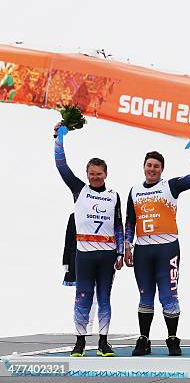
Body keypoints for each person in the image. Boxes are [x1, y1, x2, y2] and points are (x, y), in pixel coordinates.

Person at [124, 137, 190, 356]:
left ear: (162, 170)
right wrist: (127, 246)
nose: (152, 169)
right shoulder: (134, 190)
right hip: (142, 250)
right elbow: (130, 221)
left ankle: (172, 338)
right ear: (144, 167)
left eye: (156, 166)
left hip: (167, 249)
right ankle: (144, 339)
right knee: (145, 295)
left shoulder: (170, 186)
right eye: (149, 165)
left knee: (169, 295)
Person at [53, 123, 124, 357]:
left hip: (107, 255)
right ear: (87, 175)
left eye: (99, 174)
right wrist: (58, 139)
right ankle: (80, 341)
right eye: (92, 174)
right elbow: (62, 167)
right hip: (84, 254)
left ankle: (103, 342)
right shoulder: (79, 189)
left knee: (105, 298)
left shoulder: (114, 196)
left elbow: (119, 225)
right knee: (82, 297)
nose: (95, 177)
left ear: (106, 174)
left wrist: (121, 252)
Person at [62, 213, 97, 335]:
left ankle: (89, 325)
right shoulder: (74, 216)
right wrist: (66, 260)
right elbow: (68, 239)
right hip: (77, 258)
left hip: (97, 256)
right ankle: (79, 325)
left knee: (94, 295)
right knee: (81, 294)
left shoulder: (96, 216)